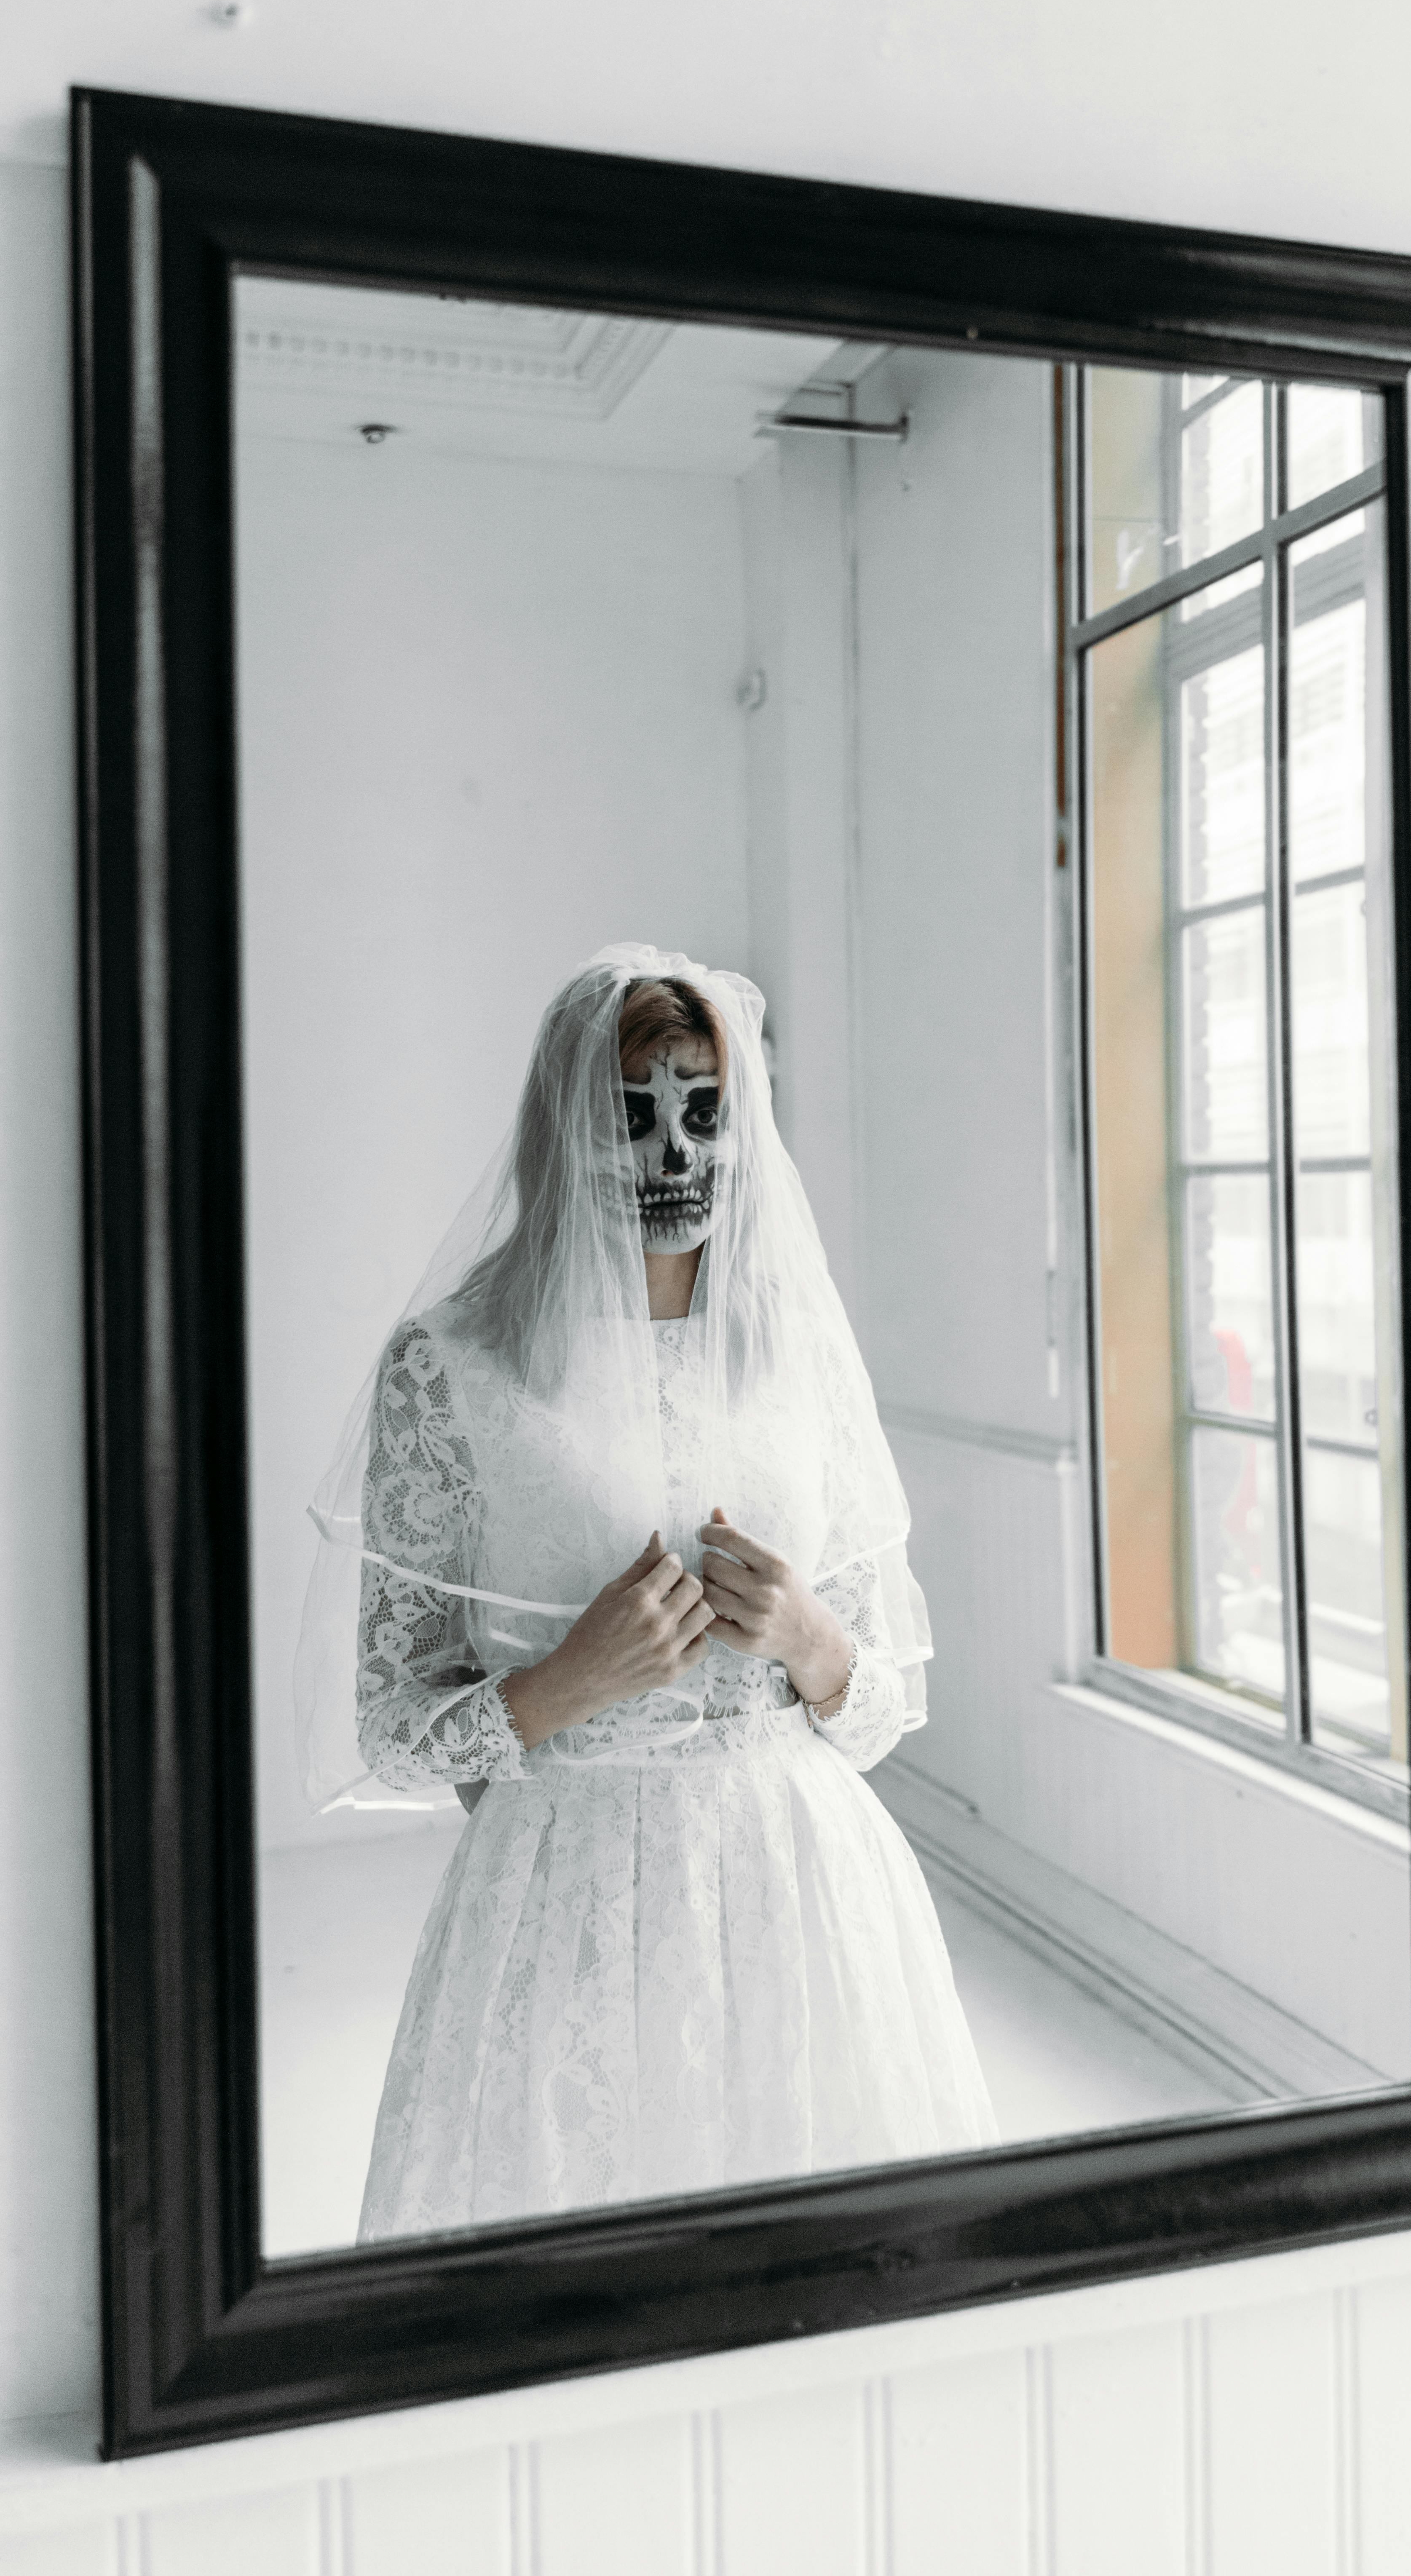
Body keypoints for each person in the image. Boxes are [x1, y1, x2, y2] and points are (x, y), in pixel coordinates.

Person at [296, 944, 998, 2239]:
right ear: (566, 1130)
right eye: (633, 1115)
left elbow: (881, 1707)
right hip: (560, 1889)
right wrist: (573, 1678)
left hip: (802, 1886)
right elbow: (396, 1727)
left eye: (705, 1111)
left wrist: (811, 1638)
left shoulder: (798, 1354)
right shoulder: (451, 1370)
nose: (676, 1153)